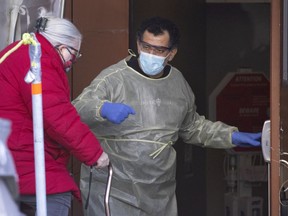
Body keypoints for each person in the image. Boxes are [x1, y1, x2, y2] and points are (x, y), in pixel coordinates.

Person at [73, 16, 261, 216]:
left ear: (172, 53)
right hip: (115, 187)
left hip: (158, 190)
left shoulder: (178, 83)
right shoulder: (114, 79)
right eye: (146, 47)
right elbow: (76, 109)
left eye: (159, 50)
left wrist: (232, 136)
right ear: (138, 44)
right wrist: (101, 109)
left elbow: (192, 127)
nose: (151, 54)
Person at [0, 14, 109, 216]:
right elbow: (58, 116)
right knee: (57, 193)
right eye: (73, 55)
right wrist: (94, 154)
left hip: (10, 152)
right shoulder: (38, 59)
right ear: (61, 46)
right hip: (20, 157)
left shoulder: (19, 51)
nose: (71, 62)